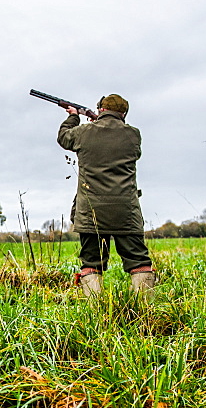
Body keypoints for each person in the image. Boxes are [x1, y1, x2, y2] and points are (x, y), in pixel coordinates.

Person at [56, 94, 155, 296]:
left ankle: (96, 314)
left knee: (92, 263)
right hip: (126, 211)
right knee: (139, 262)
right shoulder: (133, 134)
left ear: (100, 109)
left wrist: (73, 116)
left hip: (91, 211)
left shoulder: (84, 132)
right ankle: (146, 314)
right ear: (124, 114)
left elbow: (64, 137)